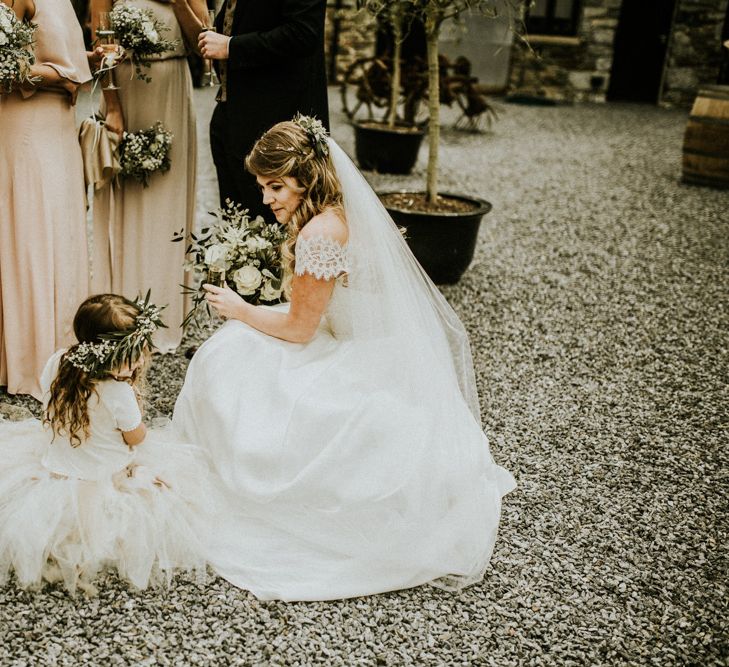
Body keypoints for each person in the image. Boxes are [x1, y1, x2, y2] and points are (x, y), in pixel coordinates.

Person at [173, 117, 516, 601]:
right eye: (261, 186)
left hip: (354, 355)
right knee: (234, 352)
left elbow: (299, 328)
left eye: (276, 186)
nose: (267, 198)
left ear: (306, 179)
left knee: (229, 358)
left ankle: (244, 489)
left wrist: (242, 309)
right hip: (369, 342)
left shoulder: (319, 234)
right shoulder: (339, 210)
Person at [0, 294, 217, 596]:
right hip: (103, 470)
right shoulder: (117, 393)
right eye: (132, 354)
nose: (141, 360)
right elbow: (136, 438)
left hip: (58, 460)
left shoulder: (58, 362)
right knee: (171, 483)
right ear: (102, 354)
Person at [90, 0, 207, 350]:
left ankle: (165, 311)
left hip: (172, 86)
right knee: (128, 193)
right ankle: (123, 307)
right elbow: (102, 39)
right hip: (126, 88)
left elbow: (202, 41)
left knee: (167, 194)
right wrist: (112, 105)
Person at [0, 0, 92, 399]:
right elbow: (10, 64)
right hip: (27, 122)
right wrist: (60, 75)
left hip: (57, 125)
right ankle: (28, 356)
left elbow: (49, 51)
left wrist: (84, 61)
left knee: (60, 229)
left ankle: (62, 347)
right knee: (31, 232)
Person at [193, 0, 329, 219]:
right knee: (237, 227)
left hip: (276, 121)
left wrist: (231, 47)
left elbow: (303, 33)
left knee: (273, 227)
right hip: (231, 113)